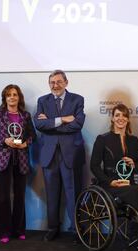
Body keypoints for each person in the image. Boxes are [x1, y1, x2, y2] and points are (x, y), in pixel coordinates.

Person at [90, 104, 138, 251]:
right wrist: (109, 181)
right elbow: (94, 166)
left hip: (129, 184)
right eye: (118, 115)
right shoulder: (102, 139)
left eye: (124, 116)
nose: (121, 118)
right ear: (113, 118)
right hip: (111, 185)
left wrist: (134, 164)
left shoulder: (133, 140)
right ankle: (136, 238)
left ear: (128, 119)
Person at [34, 70, 85, 241]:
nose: (55, 85)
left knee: (73, 193)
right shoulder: (42, 100)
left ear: (66, 82)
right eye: (52, 82)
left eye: (58, 82)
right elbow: (39, 124)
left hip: (70, 154)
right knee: (52, 192)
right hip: (50, 154)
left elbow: (77, 125)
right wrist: (62, 119)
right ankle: (53, 227)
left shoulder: (77, 99)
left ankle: (76, 229)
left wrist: (51, 122)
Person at [0, 84, 36, 244]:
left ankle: (19, 230)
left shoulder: (26, 116)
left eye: (15, 94)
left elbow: (32, 136)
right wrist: (4, 140)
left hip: (20, 159)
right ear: (5, 98)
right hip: (3, 159)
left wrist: (25, 144)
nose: (12, 97)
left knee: (20, 196)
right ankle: (4, 231)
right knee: (3, 198)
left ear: (19, 97)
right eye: (9, 95)